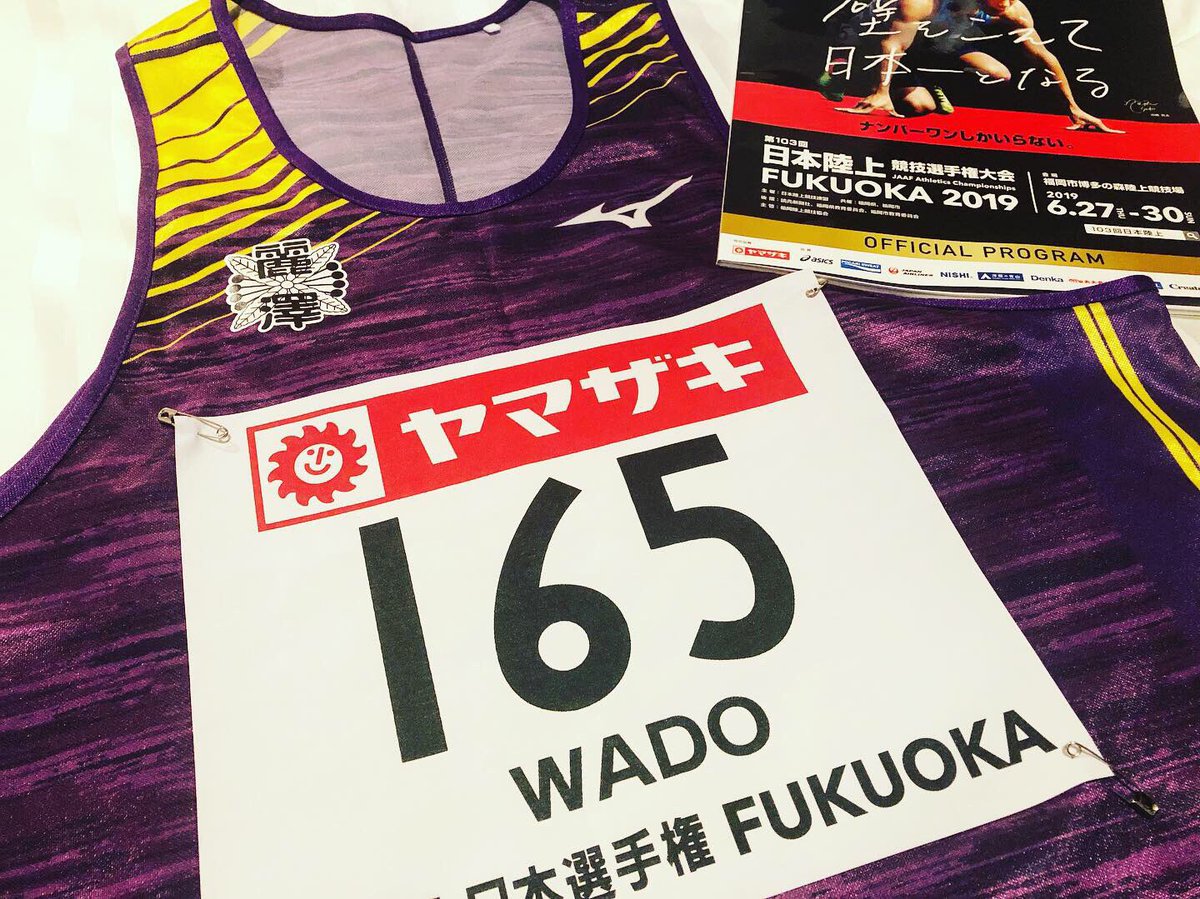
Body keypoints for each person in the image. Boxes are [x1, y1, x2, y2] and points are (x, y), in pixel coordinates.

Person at [837, 0, 1122, 131]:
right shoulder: (921, 3)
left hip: (942, 45)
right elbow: (893, 45)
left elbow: (1043, 57)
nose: (1006, 4)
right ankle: (851, 78)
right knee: (919, 105)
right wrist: (881, 91)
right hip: (882, 44)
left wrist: (1073, 107)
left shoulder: (1011, 9)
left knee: (998, 74)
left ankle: (934, 82)